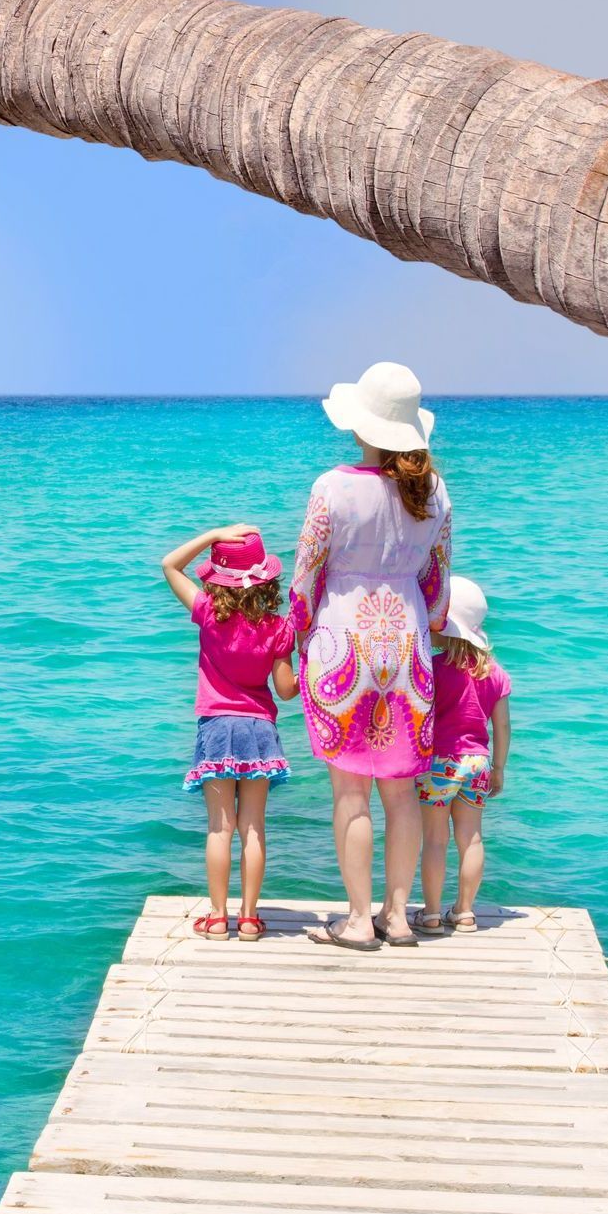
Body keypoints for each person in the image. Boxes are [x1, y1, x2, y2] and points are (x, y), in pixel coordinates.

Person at [285, 362, 450, 953]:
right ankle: (399, 916)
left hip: (342, 646)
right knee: (402, 793)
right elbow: (438, 588)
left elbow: (304, 581)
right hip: (406, 651)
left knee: (350, 793)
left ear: (361, 426)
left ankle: (357, 920)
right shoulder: (434, 490)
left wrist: (293, 644)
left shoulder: (331, 487)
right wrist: (424, 628)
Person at [161, 525, 297, 942]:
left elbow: (169, 564)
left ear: (217, 577)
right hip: (259, 731)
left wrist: (213, 534)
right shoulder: (278, 628)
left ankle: (218, 918)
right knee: (253, 827)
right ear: (266, 580)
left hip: (217, 728)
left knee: (220, 827)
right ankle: (251, 919)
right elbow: (286, 691)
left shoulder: (206, 612)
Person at [416, 575, 512, 935]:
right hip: (477, 763)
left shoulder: (435, 669)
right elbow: (501, 727)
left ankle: (430, 913)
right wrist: (499, 768)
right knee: (471, 838)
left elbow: (420, 716)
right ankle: (466, 912)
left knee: (436, 841)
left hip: (439, 763)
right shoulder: (496, 674)